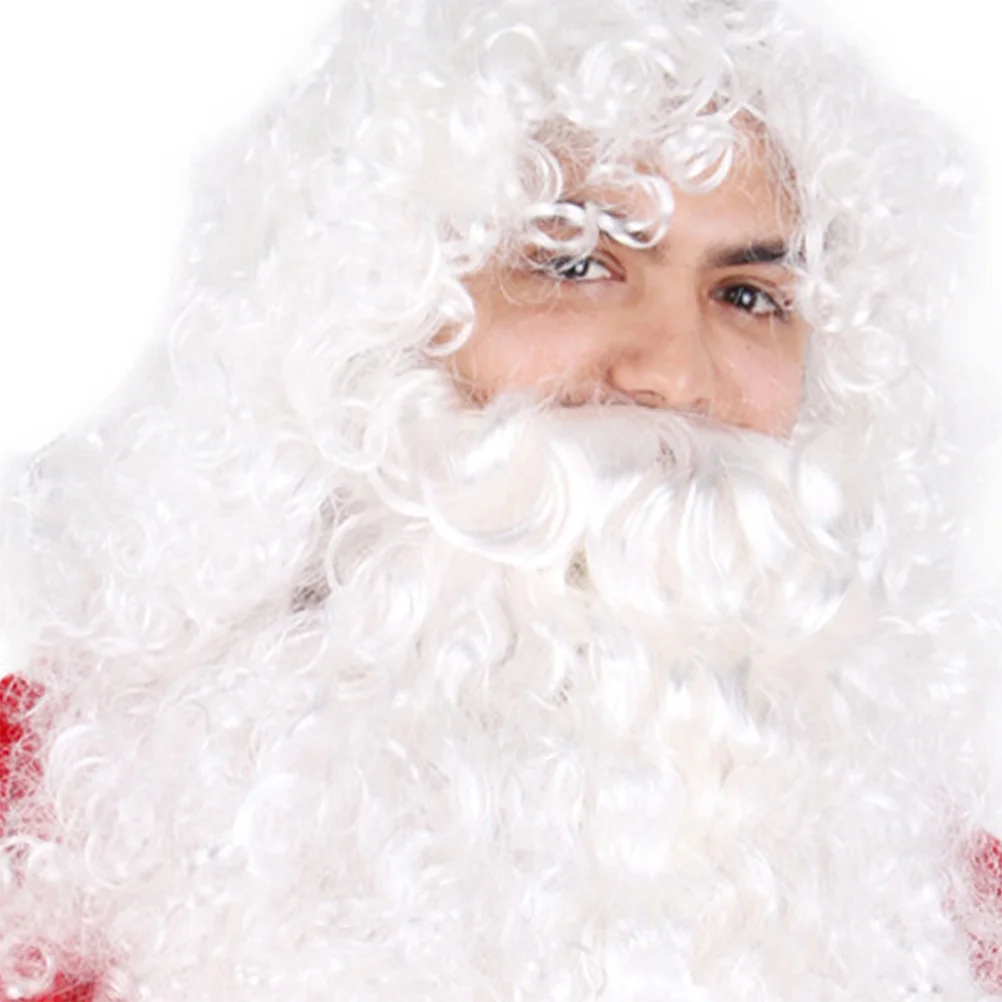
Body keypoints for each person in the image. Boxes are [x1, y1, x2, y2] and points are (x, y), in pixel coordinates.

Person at [0, 0, 999, 998]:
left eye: (747, 296)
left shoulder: (949, 914)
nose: (676, 374)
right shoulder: (39, 822)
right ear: (374, 318)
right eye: (573, 264)